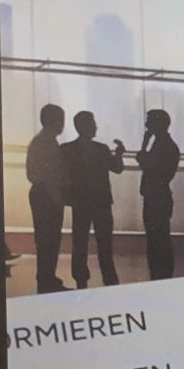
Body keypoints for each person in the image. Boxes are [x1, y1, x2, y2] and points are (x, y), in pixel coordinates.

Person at [62, 111, 125, 289]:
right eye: (93, 123)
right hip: (101, 202)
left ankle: (80, 276)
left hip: (81, 202)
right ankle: (109, 276)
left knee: (80, 241)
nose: (96, 127)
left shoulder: (67, 150)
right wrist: (119, 154)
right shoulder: (102, 149)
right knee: (104, 241)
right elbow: (117, 168)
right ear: (86, 126)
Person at [24, 103, 68, 293]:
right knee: (49, 238)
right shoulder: (47, 143)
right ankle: (47, 277)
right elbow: (50, 175)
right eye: (61, 120)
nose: (63, 124)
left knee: (45, 238)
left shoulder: (40, 141)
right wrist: (57, 198)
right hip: (47, 195)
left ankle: (46, 276)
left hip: (41, 193)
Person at [135, 108, 181, 280]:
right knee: (159, 237)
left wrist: (143, 146)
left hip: (156, 198)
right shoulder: (166, 145)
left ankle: (160, 274)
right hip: (159, 196)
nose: (147, 125)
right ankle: (162, 274)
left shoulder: (162, 146)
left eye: (149, 121)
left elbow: (146, 163)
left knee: (157, 239)